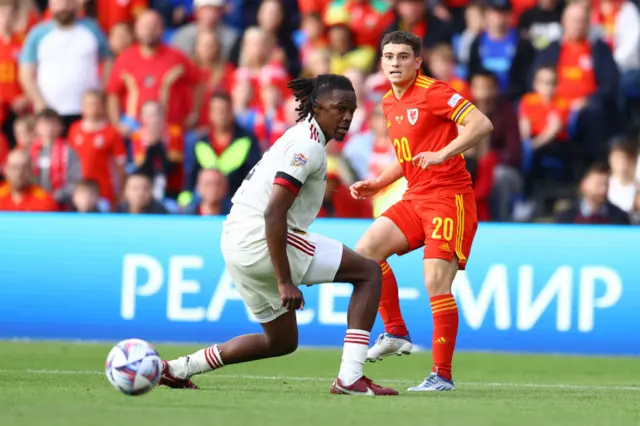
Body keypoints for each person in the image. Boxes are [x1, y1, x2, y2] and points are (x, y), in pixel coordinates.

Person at [159, 74, 398, 396]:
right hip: (262, 237)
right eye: (339, 108)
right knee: (368, 272)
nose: (347, 117)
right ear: (316, 106)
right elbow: (274, 212)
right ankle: (350, 378)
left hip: (235, 241)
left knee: (281, 341)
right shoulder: (307, 147)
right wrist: (285, 281)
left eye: (352, 110)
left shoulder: (301, 136)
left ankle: (177, 369)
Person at [349, 31, 493, 392]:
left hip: (449, 196)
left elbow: (481, 124)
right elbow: (408, 157)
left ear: (417, 61)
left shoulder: (435, 92)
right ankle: (395, 331)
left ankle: (442, 376)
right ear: (381, 62)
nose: (395, 63)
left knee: (435, 283)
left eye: (402, 56)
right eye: (388, 56)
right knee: (365, 252)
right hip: (416, 196)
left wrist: (445, 153)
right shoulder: (387, 102)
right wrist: (379, 182)